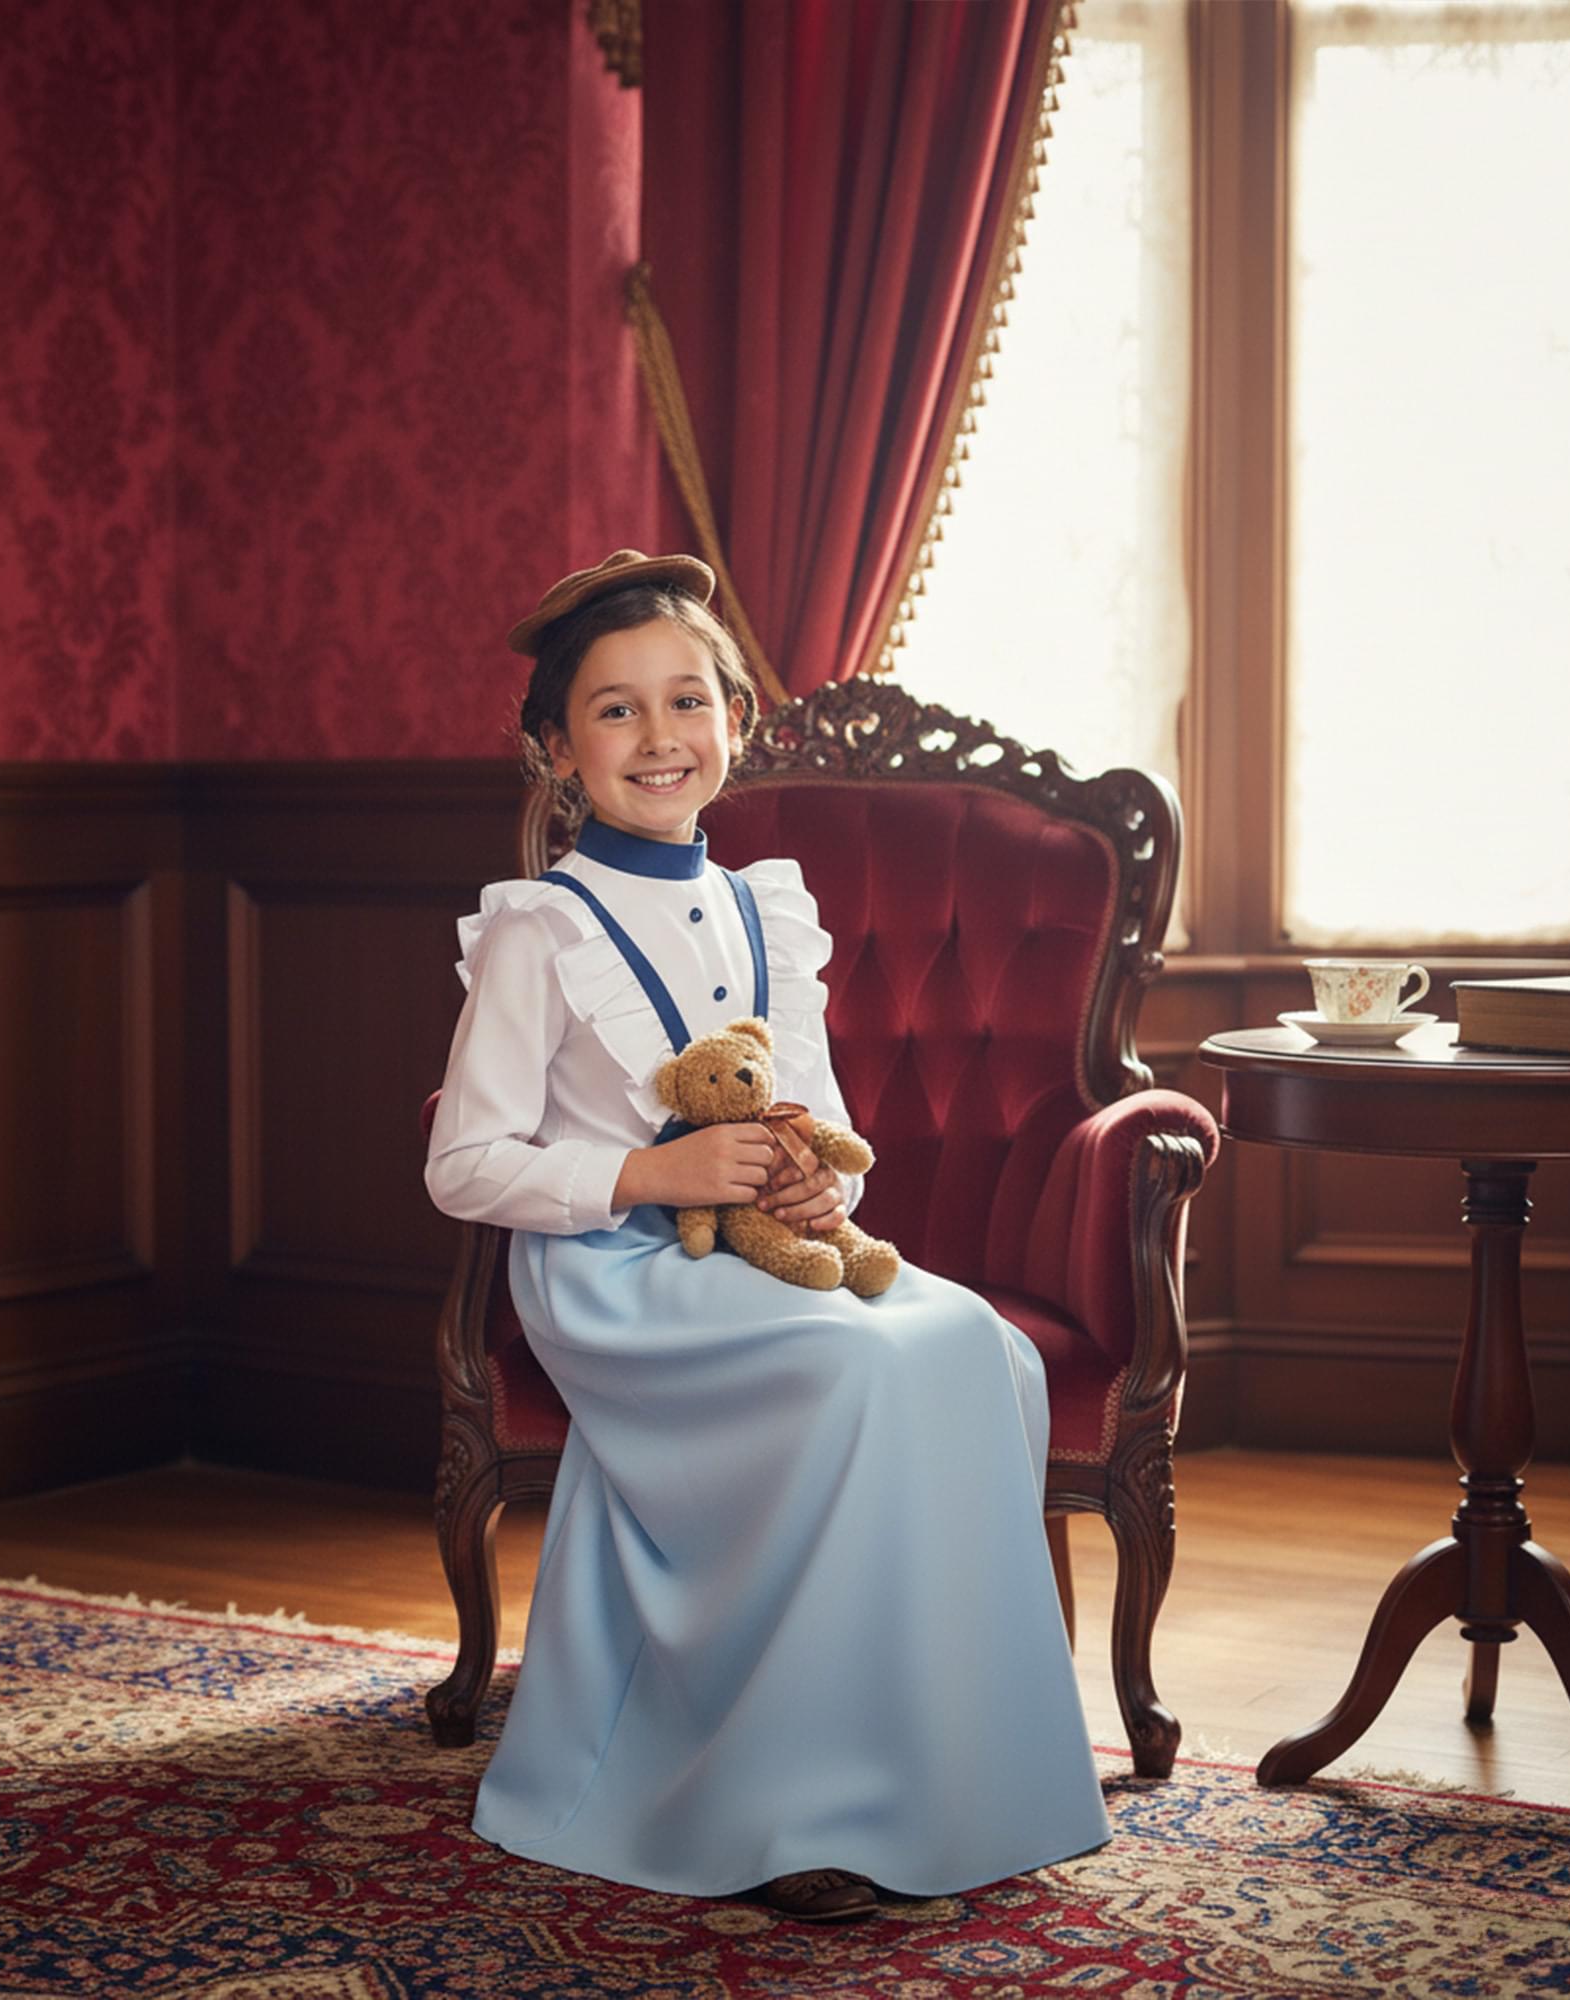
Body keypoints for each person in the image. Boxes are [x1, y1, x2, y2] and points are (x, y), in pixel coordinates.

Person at [425, 550, 1110, 1921]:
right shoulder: (537, 931)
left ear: (735, 720)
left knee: (982, 1348)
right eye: (616, 710)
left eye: (689, 700)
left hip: (757, 1253)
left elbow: (816, 1110)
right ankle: (789, 1808)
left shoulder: (766, 910)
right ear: (556, 749)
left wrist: (813, 1187)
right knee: (852, 1370)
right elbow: (464, 1163)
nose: (660, 736)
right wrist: (649, 1170)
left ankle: (960, 1778)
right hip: (616, 1276)